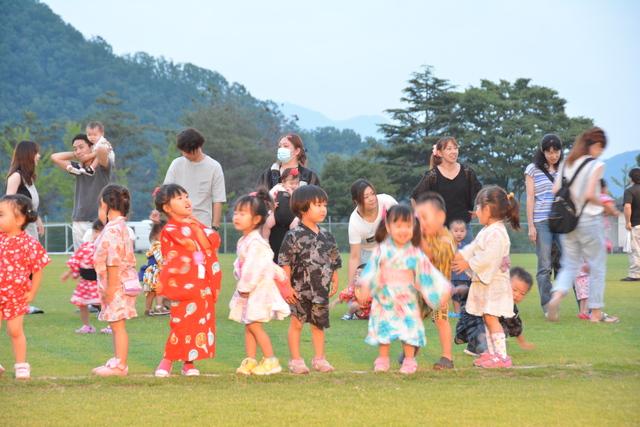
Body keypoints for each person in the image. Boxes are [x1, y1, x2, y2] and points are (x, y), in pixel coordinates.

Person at [357, 204, 450, 374]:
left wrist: (441, 292)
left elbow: (427, 274)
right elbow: (371, 270)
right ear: (388, 226)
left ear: (413, 228)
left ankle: (409, 359)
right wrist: (365, 288)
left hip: (406, 297)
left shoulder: (415, 253)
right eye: (398, 225)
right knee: (383, 329)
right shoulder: (382, 250)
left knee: (409, 330)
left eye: (408, 226)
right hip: (384, 297)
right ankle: (383, 358)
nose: (403, 230)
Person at [546, 127, 619, 323]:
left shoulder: (566, 163)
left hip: (568, 222)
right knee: (597, 265)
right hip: (589, 220)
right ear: (594, 145)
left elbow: (555, 190)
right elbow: (589, 194)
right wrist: (608, 207)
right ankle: (595, 312)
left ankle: (557, 296)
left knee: (570, 265)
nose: (601, 152)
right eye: (600, 148)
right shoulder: (595, 165)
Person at [153, 184, 221, 378]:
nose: (186, 200)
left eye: (186, 196)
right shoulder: (170, 230)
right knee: (180, 322)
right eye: (179, 198)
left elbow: (212, 241)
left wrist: (197, 232)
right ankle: (167, 359)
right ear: (167, 208)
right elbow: (181, 253)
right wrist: (195, 240)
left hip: (202, 282)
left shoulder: (196, 224)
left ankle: (188, 362)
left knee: (199, 323)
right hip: (183, 283)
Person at [452, 185, 520, 368]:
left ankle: (502, 357)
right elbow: (473, 248)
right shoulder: (487, 230)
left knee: (491, 318)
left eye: (478, 208)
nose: (476, 212)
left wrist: (468, 263)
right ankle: (492, 354)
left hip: (494, 285)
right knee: (486, 318)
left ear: (488, 209)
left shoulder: (497, 233)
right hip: (485, 283)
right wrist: (461, 255)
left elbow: (489, 258)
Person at [278, 185, 341, 374]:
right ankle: (296, 360)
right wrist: (286, 287)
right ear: (302, 208)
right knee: (297, 323)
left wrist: (335, 279)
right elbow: (285, 263)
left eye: (324, 205)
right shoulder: (293, 236)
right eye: (317, 205)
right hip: (299, 290)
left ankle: (319, 359)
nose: (323, 209)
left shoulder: (327, 236)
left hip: (320, 289)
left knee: (318, 324)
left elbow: (334, 260)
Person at [229, 189, 292, 376]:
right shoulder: (245, 240)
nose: (237, 217)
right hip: (250, 290)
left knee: (254, 325)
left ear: (256, 219)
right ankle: (251, 360)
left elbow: (254, 269)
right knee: (249, 324)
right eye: (236, 212)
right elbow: (246, 264)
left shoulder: (256, 242)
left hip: (257, 291)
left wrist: (244, 289)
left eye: (242, 213)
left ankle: (270, 360)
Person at [0, 194, 50, 379]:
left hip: (16, 296)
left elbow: (37, 270)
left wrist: (32, 293)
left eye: (1, 214)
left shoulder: (29, 243)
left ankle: (21, 364)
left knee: (14, 330)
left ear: (19, 219)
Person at [91, 185, 139, 376]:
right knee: (115, 325)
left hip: (116, 283)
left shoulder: (112, 230)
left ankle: (121, 366)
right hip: (120, 281)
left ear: (105, 205)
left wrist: (110, 288)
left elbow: (113, 260)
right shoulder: (120, 226)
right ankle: (117, 360)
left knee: (118, 326)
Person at [413, 192, 456, 370]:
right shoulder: (423, 235)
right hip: (420, 287)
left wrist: (417, 237)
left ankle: (447, 357)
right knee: (414, 319)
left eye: (424, 217)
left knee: (441, 320)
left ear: (440, 217)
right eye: (417, 219)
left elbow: (430, 254)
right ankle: (411, 351)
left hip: (439, 291)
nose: (420, 223)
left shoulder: (447, 238)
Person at [411, 136, 482, 242]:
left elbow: (481, 193)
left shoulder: (467, 172)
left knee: (467, 258)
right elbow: (414, 198)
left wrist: (478, 210)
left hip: (464, 230)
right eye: (449, 149)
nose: (454, 152)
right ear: (439, 153)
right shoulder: (432, 176)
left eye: (455, 148)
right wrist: (424, 220)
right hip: (441, 232)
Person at [51, 133, 113, 250]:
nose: (78, 151)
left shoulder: (102, 166)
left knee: (101, 257)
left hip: (100, 220)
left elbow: (102, 151)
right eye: (75, 148)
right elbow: (55, 157)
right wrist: (78, 155)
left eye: (81, 147)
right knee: (81, 260)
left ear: (91, 146)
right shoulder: (78, 168)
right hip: (80, 220)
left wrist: (93, 153)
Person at [455, 267, 535, 356]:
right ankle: (467, 339)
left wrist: (523, 343)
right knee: (480, 323)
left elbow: (515, 326)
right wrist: (460, 290)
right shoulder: (491, 293)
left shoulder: (511, 308)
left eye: (522, 293)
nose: (517, 295)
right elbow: (471, 291)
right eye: (514, 290)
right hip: (471, 319)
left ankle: (477, 348)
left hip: (484, 330)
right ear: (505, 283)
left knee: (502, 328)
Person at [524, 134, 563, 314]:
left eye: (556, 152)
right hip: (541, 221)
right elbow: (530, 198)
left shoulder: (565, 168)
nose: (553, 155)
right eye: (549, 152)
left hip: (563, 222)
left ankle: (582, 306)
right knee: (545, 265)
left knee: (567, 263)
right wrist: (531, 226)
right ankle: (548, 306)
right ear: (543, 151)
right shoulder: (533, 169)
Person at [163, 128, 226, 230]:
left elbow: (218, 200)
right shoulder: (176, 164)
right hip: (177, 225)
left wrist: (215, 227)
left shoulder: (214, 167)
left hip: (202, 225)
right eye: (183, 152)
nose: (185, 155)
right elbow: (165, 193)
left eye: (189, 152)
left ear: (199, 147)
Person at [347, 179, 397, 288]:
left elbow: (403, 222)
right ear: (356, 201)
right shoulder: (355, 222)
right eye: (365, 197)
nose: (371, 199)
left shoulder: (387, 201)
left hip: (391, 247)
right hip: (368, 253)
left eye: (372, 194)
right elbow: (355, 256)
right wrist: (350, 287)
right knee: (370, 290)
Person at [60, 219, 104, 333]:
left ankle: (110, 325)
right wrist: (69, 273)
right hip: (85, 282)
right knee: (82, 303)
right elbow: (76, 260)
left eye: (101, 232)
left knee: (104, 303)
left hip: (99, 282)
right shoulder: (85, 247)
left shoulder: (106, 249)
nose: (97, 235)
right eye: (95, 232)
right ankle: (86, 326)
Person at [5, 140, 45, 240]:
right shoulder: (16, 176)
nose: (39, 156)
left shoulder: (29, 178)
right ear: (27, 155)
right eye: (36, 153)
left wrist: (37, 219)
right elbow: (8, 204)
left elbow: (30, 206)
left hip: (30, 227)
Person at [262, 167, 300, 258]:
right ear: (283, 182)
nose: (294, 185)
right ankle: (265, 242)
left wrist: (292, 194)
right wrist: (272, 204)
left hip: (292, 216)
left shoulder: (298, 191)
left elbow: (299, 203)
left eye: (296, 183)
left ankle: (294, 245)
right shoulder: (277, 188)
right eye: (291, 183)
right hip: (276, 214)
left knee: (295, 228)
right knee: (266, 225)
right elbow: (268, 198)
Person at [140, 221, 169, 316]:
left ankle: (150, 309)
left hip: (154, 270)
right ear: (156, 235)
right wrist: (165, 265)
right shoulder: (157, 245)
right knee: (155, 291)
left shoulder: (157, 244)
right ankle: (157, 307)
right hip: (155, 271)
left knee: (153, 292)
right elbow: (159, 258)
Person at [622, 168, 640, 281]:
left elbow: (627, 206)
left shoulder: (630, 191)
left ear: (631, 178)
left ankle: (635, 275)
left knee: (635, 249)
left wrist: (628, 221)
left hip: (636, 224)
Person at [450, 219, 471, 315]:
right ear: (451, 232)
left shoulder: (468, 247)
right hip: (452, 275)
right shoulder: (448, 246)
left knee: (464, 294)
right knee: (454, 295)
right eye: (456, 231)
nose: (459, 233)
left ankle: (465, 311)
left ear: (466, 232)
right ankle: (457, 313)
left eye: (462, 231)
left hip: (464, 276)